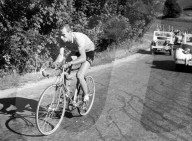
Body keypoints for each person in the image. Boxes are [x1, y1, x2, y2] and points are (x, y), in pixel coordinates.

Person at [53, 24, 95, 102]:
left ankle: (86, 94)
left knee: (79, 75)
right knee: (64, 69)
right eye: (60, 35)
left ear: (70, 32)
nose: (61, 37)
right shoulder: (62, 39)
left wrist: (70, 63)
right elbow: (61, 55)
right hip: (76, 51)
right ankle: (67, 92)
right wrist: (55, 63)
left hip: (88, 53)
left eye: (63, 35)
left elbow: (83, 58)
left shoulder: (78, 38)